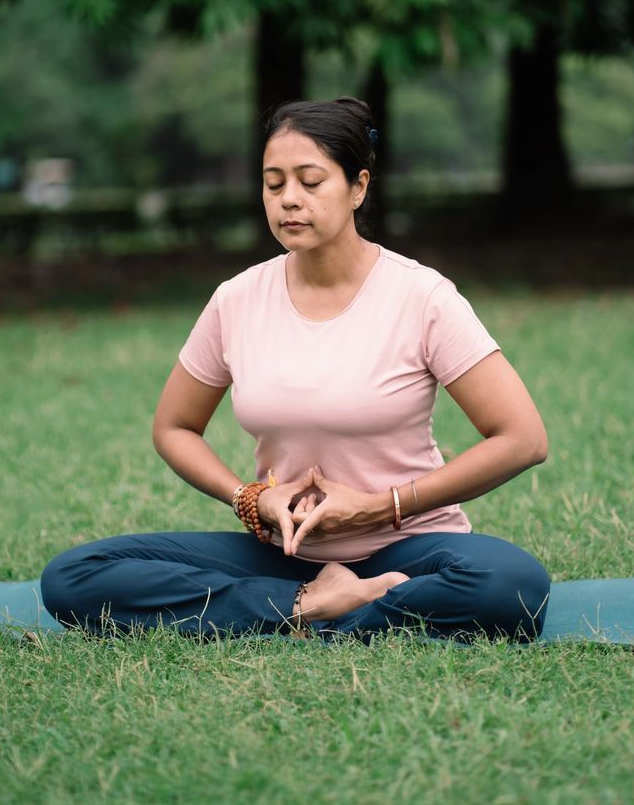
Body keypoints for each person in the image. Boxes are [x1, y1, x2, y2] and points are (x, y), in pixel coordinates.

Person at [41, 98, 551, 642]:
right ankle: (309, 602)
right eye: (273, 183)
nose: (289, 200)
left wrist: (383, 507)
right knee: (72, 578)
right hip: (283, 553)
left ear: (358, 187)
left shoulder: (422, 297)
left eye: (310, 182)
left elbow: (523, 438)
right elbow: (174, 427)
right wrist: (250, 497)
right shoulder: (236, 300)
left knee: (512, 585)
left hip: (412, 548)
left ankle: (328, 604)